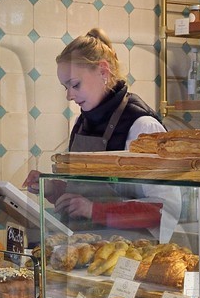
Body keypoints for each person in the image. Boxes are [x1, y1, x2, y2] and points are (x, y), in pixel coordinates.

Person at [28, 29, 179, 236]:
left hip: (131, 256)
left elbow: (164, 210)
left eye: (75, 85)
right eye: (65, 87)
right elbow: (87, 191)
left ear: (103, 72)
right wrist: (52, 189)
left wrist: (93, 210)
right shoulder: (83, 123)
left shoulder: (143, 127)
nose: (69, 96)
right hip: (86, 252)